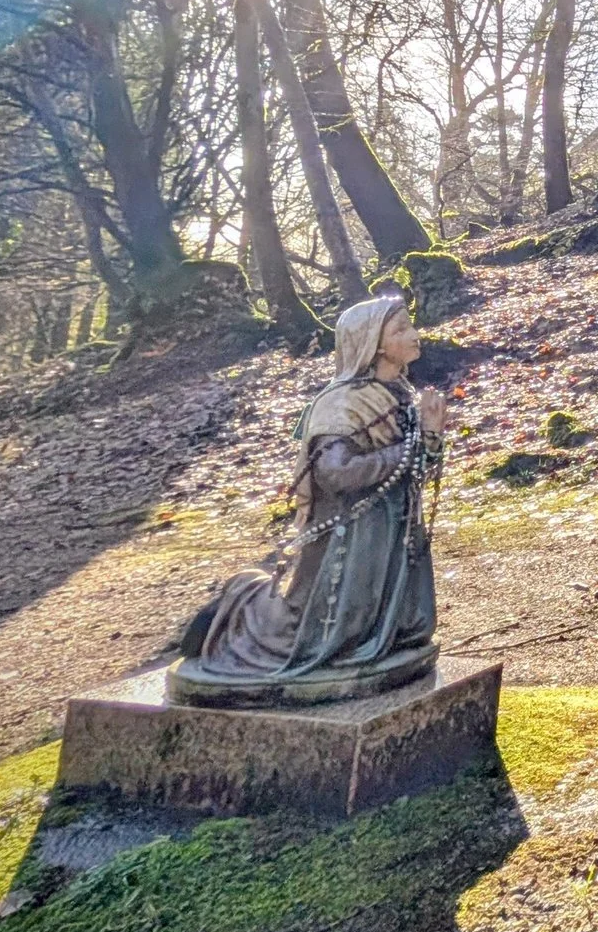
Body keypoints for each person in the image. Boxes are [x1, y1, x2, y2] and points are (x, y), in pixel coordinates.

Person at [171, 295, 448, 704]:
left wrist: (430, 437)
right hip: (350, 532)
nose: (413, 335)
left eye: (409, 325)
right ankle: (242, 602)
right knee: (327, 632)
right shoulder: (341, 403)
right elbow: (335, 474)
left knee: (411, 626)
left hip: (392, 524)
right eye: (400, 329)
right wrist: (409, 449)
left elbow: (417, 463)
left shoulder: (399, 392)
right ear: (372, 342)